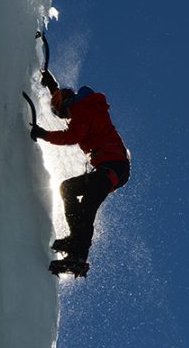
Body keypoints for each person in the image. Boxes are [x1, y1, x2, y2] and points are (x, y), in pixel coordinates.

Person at [31, 70, 130, 274]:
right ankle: (75, 242)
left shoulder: (83, 109)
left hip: (113, 167)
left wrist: (43, 134)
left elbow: (72, 135)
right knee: (68, 189)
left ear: (68, 103)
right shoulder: (84, 106)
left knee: (86, 206)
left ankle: (78, 255)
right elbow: (63, 99)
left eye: (63, 113)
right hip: (111, 167)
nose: (65, 117)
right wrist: (51, 85)